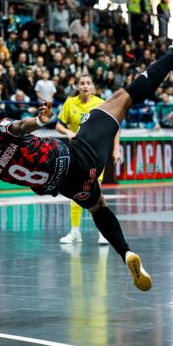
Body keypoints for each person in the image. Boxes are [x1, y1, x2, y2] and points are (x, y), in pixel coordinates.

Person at [0, 26, 173, 291]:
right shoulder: (0, 130)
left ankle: (126, 253)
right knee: (123, 97)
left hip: (63, 185)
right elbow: (19, 128)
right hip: (76, 156)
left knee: (97, 206)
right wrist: (38, 120)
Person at [56, 74, 121, 245]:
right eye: (82, 83)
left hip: (95, 154)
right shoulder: (70, 103)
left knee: (96, 192)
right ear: (77, 86)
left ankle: (104, 232)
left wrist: (116, 149)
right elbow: (58, 125)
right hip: (75, 155)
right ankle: (75, 232)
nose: (85, 86)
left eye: (88, 83)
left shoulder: (101, 104)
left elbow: (115, 126)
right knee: (76, 192)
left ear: (93, 86)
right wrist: (67, 132)